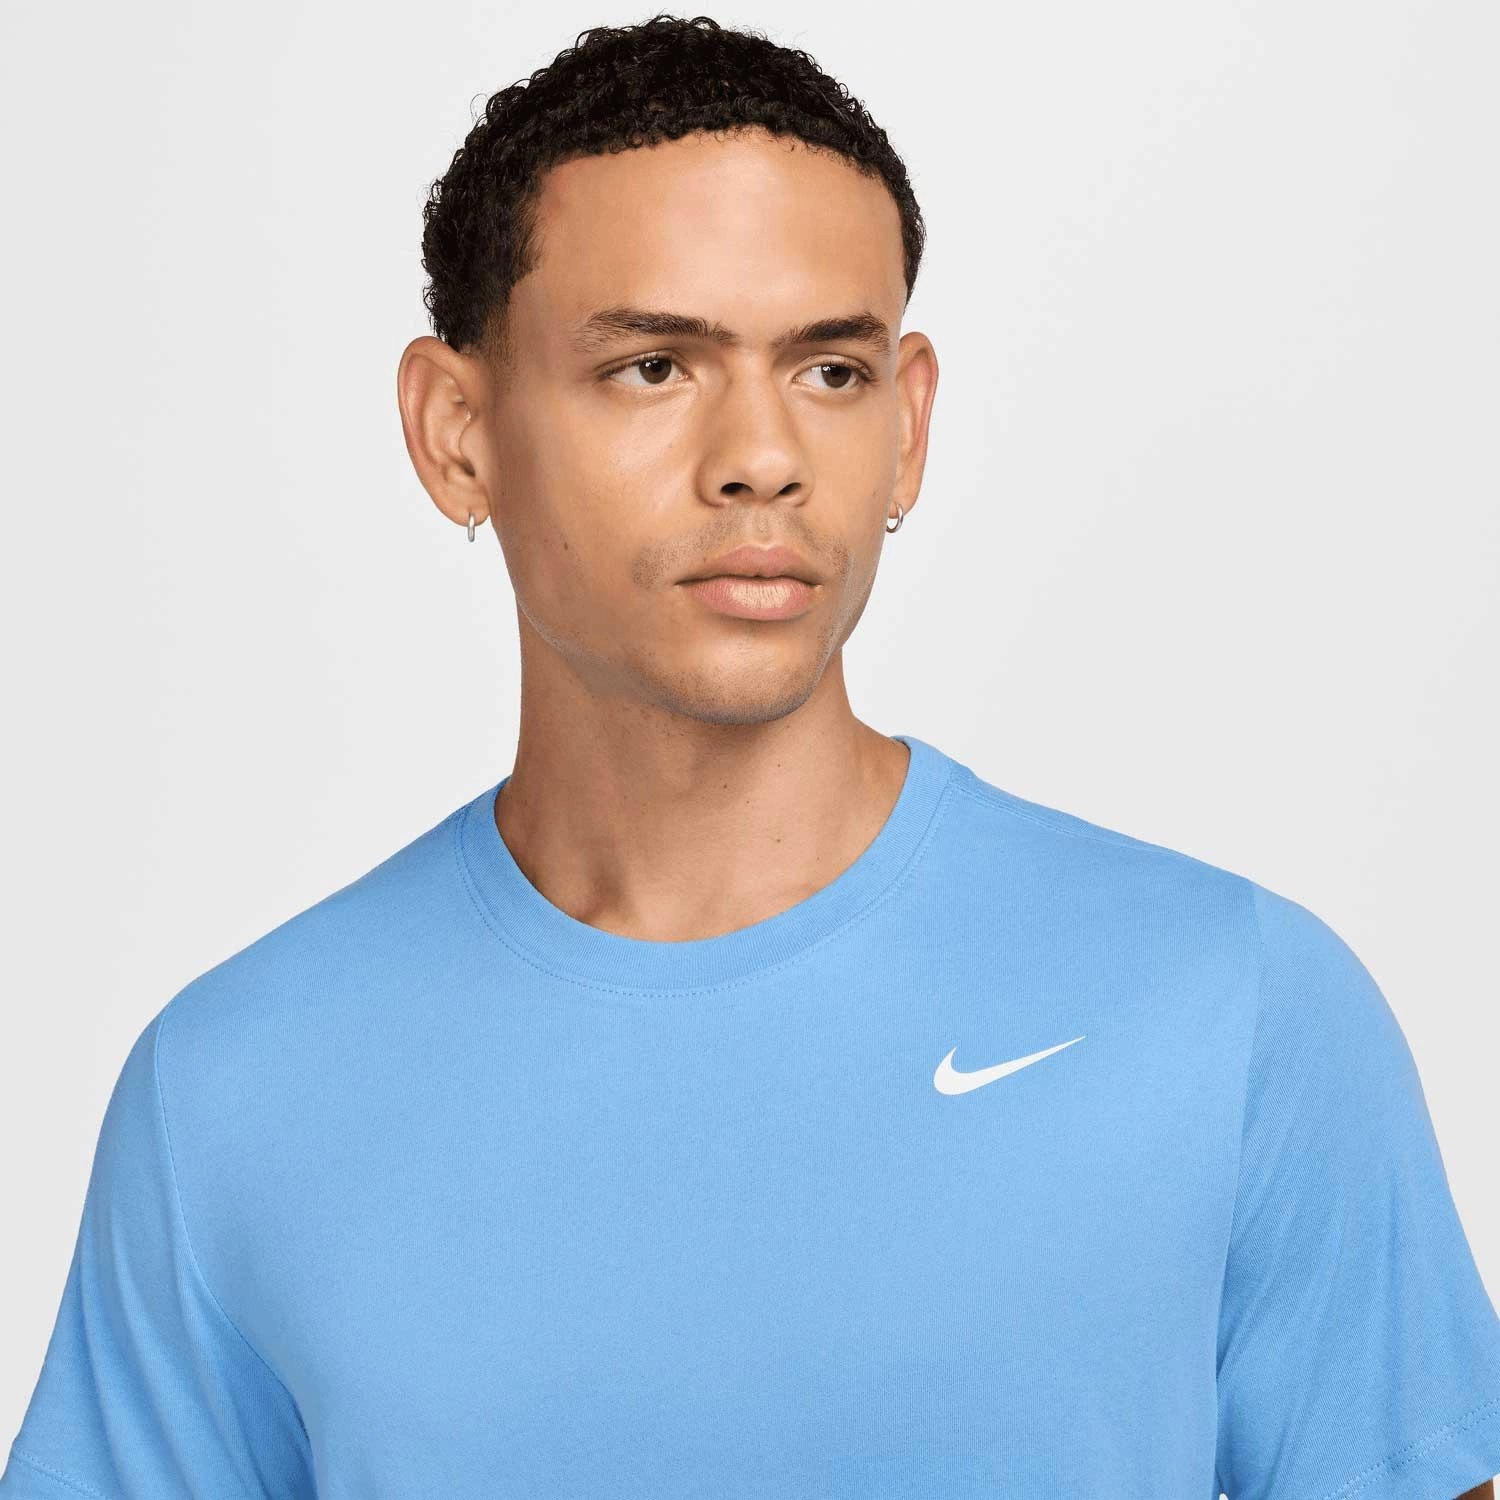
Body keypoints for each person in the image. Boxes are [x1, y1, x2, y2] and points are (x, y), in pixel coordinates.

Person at [3, 14, 1497, 1500]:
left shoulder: (1230, 1005)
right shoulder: (236, 1093)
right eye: (654, 366)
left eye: (831, 371)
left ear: (909, 424)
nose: (762, 458)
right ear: (457, 431)